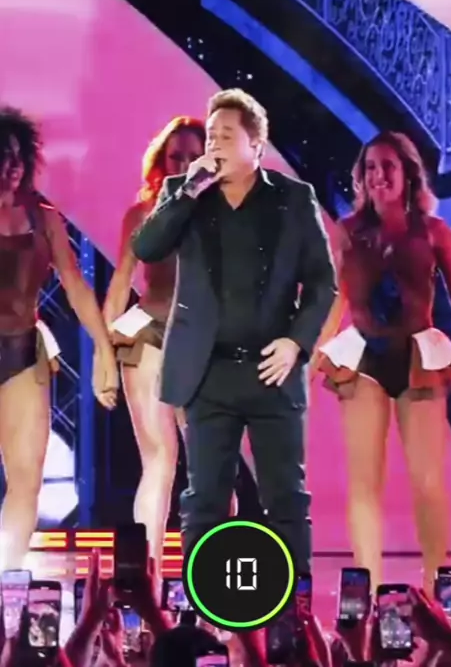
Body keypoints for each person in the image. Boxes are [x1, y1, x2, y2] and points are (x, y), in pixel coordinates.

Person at [132, 88, 335, 576]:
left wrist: (296, 342)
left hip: (272, 370)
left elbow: (322, 282)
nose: (214, 145)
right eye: (211, 136)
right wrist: (188, 192)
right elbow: (148, 247)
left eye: (226, 135)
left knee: (285, 498)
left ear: (255, 146)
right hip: (208, 371)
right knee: (204, 499)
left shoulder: (292, 198)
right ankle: (205, 603)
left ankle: (293, 605)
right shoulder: (185, 192)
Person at [312, 131, 451, 595]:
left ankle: (438, 587)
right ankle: (367, 589)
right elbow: (336, 298)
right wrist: (311, 356)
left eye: (388, 166)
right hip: (363, 357)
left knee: (428, 482)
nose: (378, 175)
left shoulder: (434, 231)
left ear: (408, 173)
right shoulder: (347, 230)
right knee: (364, 483)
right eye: (370, 167)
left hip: (419, 358)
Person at [0, 106, 117, 570]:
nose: (10, 167)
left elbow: (75, 286)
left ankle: (7, 578)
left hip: (23, 352)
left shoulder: (43, 217)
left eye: (16, 157)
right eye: (1, 156)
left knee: (27, 479)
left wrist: (104, 349)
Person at [103, 117, 206, 565]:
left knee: (209, 470)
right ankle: (146, 581)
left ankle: (210, 582)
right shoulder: (143, 213)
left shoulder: (228, 212)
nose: (183, 164)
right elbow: (120, 284)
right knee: (159, 461)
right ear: (161, 161)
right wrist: (102, 358)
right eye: (175, 156)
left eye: (192, 156)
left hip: (203, 341)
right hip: (148, 332)